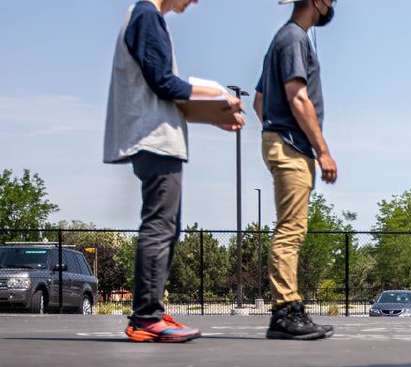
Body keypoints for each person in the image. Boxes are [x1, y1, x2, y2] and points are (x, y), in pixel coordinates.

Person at [105, 0, 245, 343]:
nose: (194, 1)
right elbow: (163, 83)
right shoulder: (146, 17)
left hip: (154, 137)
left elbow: (160, 87)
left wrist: (213, 115)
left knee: (168, 226)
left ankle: (150, 309)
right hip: (154, 140)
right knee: (159, 225)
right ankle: (145, 317)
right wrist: (216, 94)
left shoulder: (142, 17)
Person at [254, 0, 340, 340]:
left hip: (283, 141)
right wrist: (323, 151)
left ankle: (289, 309)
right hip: (292, 147)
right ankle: (285, 312)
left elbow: (259, 100)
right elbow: (298, 96)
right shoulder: (293, 39)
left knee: (292, 228)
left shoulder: (284, 39)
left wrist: (274, 131)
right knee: (290, 231)